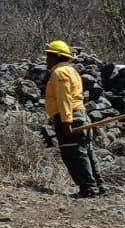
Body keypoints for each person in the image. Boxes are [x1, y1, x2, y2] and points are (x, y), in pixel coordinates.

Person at [44, 39, 104, 198]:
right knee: (87, 153)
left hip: (70, 116)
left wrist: (66, 121)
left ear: (57, 57)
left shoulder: (60, 72)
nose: (47, 60)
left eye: (49, 56)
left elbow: (64, 99)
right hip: (80, 115)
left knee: (74, 154)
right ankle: (99, 186)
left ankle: (88, 189)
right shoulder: (72, 71)